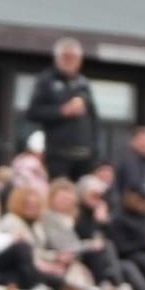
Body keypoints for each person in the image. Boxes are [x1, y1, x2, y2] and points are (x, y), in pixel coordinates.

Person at [25, 38, 99, 182]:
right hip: (59, 155)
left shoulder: (83, 83)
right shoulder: (46, 81)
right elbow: (32, 112)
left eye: (74, 57)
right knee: (60, 192)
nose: (70, 61)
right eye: (66, 57)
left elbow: (94, 118)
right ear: (57, 58)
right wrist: (61, 111)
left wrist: (94, 148)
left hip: (85, 155)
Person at [0, 185, 69, 290]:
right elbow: (24, 253)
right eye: (28, 204)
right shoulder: (11, 221)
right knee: (58, 281)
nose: (33, 208)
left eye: (36, 205)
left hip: (34, 266)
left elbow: (38, 250)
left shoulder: (36, 225)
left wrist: (56, 257)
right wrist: (47, 267)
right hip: (16, 269)